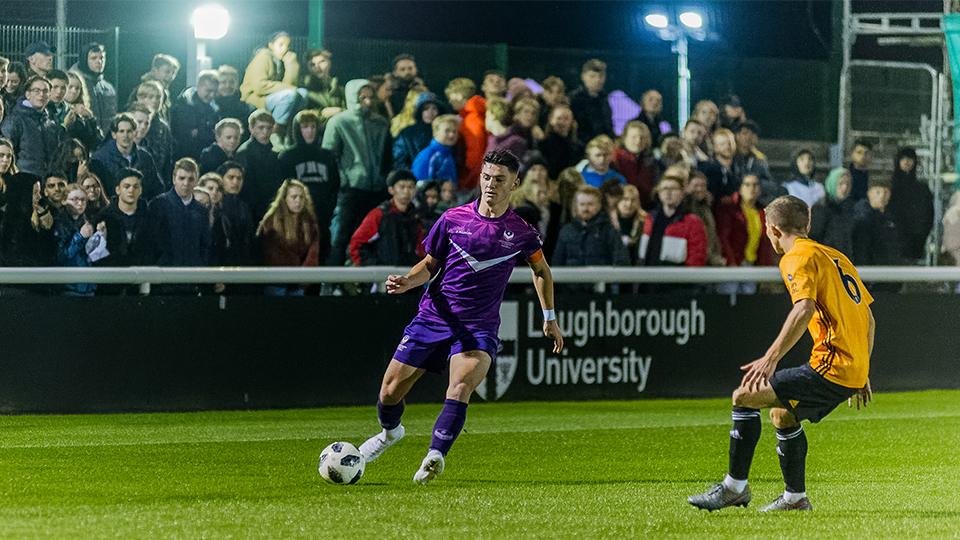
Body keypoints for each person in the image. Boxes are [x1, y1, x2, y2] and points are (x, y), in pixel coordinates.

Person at [356, 149, 564, 485]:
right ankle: (389, 434)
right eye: (486, 177)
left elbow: (541, 270)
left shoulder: (521, 232)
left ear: (515, 184)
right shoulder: (453, 219)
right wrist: (408, 281)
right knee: (390, 392)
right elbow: (429, 264)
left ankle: (435, 455)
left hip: (479, 327)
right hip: (433, 317)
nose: (490, 184)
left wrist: (549, 317)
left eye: (500, 179)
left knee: (461, 386)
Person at [687, 195, 874, 513]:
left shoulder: (796, 257)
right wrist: (863, 369)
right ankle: (795, 499)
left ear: (772, 229)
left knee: (744, 395)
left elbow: (804, 308)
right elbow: (868, 318)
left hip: (832, 365)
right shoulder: (834, 256)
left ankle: (734, 487)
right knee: (782, 414)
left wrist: (771, 356)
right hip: (849, 367)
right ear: (808, 225)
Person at [322, 79, 391, 267]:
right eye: (362, 97)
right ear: (353, 97)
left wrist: (383, 179)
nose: (367, 101)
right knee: (341, 235)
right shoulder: (338, 122)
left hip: (376, 189)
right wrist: (343, 180)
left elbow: (386, 155)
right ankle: (330, 283)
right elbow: (330, 157)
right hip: (350, 189)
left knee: (373, 238)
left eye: (370, 97)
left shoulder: (381, 123)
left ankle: (366, 285)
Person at [278, 110, 340, 265]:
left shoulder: (327, 156)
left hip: (322, 218)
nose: (310, 131)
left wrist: (328, 209)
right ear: (297, 129)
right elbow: (284, 188)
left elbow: (334, 185)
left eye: (313, 126)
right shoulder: (287, 157)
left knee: (321, 260)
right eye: (305, 127)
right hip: (297, 219)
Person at [713, 174, 776, 294]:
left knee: (747, 304)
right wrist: (730, 261)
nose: (752, 188)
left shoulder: (762, 212)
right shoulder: (729, 207)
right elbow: (723, 236)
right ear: (740, 188)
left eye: (755, 185)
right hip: (732, 264)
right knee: (728, 299)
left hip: (750, 265)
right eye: (747, 184)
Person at [256, 179, 320, 295]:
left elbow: (313, 252)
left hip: (299, 281)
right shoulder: (271, 222)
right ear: (284, 198)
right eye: (294, 197)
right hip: (276, 280)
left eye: (301, 197)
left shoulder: (309, 222)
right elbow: (271, 254)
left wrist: (306, 271)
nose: (298, 201)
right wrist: (297, 269)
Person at [349, 169, 423, 268]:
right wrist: (375, 267)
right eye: (402, 187)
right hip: (381, 277)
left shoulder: (416, 217)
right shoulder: (379, 215)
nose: (406, 191)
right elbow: (356, 245)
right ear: (391, 189)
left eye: (410, 187)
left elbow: (421, 251)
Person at [240, 32, 306, 142]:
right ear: (271, 45)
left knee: (303, 93)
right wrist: (289, 89)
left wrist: (291, 64)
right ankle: (275, 132)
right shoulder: (263, 57)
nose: (285, 49)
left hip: (270, 97)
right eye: (281, 45)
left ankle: (294, 133)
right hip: (254, 97)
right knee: (290, 94)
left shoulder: (280, 61)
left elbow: (289, 86)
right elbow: (259, 86)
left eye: (288, 45)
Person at [552, 184, 628, 279]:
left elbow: (621, 262)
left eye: (590, 204)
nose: (585, 209)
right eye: (582, 204)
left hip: (600, 289)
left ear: (599, 205)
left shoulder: (609, 231)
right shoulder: (566, 231)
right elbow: (557, 263)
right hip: (569, 289)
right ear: (576, 206)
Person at [149, 158, 211, 269]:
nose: (186, 183)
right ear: (174, 179)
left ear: (196, 181)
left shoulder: (202, 211)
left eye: (191, 179)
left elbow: (205, 246)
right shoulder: (158, 205)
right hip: (164, 277)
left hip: (193, 278)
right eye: (182, 178)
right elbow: (151, 244)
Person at [638, 174, 707, 268]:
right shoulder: (649, 219)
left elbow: (696, 259)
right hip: (647, 278)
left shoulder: (692, 222)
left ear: (682, 193)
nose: (668, 192)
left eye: (673, 188)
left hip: (676, 279)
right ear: (659, 193)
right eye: (664, 189)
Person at [1, 75, 63, 177]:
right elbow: (8, 151)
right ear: (28, 94)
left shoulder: (50, 121)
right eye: (37, 90)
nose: (41, 94)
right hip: (23, 177)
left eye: (45, 91)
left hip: (47, 179)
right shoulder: (15, 120)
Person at [93, 168, 155, 270]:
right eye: (126, 186)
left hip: (143, 278)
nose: (131, 190)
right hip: (112, 279)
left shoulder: (151, 218)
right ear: (118, 190)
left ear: (140, 190)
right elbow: (95, 255)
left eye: (136, 187)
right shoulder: (102, 217)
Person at [89, 113, 163, 198]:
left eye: (129, 131)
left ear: (134, 133)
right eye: (121, 131)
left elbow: (156, 189)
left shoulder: (145, 157)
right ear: (114, 134)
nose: (125, 136)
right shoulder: (100, 159)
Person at [885, 147, 934, 264]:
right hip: (891, 244)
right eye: (903, 158)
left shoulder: (922, 188)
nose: (906, 162)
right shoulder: (889, 187)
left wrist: (921, 235)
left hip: (916, 244)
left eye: (910, 158)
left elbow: (929, 215)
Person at [236, 109, 283, 221]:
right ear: (251, 128)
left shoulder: (275, 153)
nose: (265, 132)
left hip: (271, 207)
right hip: (251, 210)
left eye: (269, 128)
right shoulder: (243, 153)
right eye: (261, 127)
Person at [446, 78, 487, 200]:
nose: (449, 100)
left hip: (472, 182)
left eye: (450, 95)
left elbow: (475, 153)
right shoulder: (475, 114)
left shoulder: (472, 119)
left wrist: (468, 182)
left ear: (459, 95)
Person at [54, 183, 97, 296]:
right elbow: (61, 256)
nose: (80, 203)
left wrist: (99, 240)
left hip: (87, 285)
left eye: (83, 200)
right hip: (68, 286)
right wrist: (80, 236)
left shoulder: (86, 222)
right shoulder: (58, 223)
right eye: (74, 199)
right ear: (64, 201)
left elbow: (92, 256)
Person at [170, 70, 220, 161]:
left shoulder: (214, 109)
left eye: (215, 91)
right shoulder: (182, 108)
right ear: (198, 86)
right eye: (208, 91)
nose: (212, 95)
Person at [71, 43, 116, 135]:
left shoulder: (108, 88)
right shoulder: (74, 84)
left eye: (102, 58)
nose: (99, 62)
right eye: (93, 58)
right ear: (84, 60)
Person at [809, 167, 855, 256]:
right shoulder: (821, 207)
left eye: (848, 184)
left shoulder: (849, 207)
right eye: (840, 184)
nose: (844, 188)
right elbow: (815, 237)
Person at [683, 170, 725, 267]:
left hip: (709, 261)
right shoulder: (684, 209)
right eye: (696, 185)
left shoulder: (707, 207)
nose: (700, 189)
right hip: (692, 263)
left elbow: (713, 235)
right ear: (687, 187)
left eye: (703, 185)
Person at [614, 120, 658, 211]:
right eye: (634, 137)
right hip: (623, 208)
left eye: (642, 137)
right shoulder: (615, 158)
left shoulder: (650, 159)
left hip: (646, 208)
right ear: (625, 138)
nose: (638, 141)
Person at [393, 92, 443, 172]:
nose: (430, 112)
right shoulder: (407, 133)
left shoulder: (444, 132)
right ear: (420, 111)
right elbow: (400, 159)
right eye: (426, 109)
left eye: (434, 108)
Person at [300, 49, 346, 134]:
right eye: (312, 64)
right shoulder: (306, 89)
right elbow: (304, 117)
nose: (317, 67)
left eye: (322, 62)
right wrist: (322, 114)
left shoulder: (340, 87)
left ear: (330, 63)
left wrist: (340, 111)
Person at [568, 59, 613, 144]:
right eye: (592, 76)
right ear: (583, 76)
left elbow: (608, 125)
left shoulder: (604, 98)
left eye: (601, 76)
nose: (597, 80)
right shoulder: (575, 99)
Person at [537, 105, 583, 180]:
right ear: (551, 120)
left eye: (566, 118)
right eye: (559, 118)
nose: (562, 122)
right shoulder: (543, 145)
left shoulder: (578, 147)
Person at [412, 114, 460, 183]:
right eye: (447, 130)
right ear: (436, 132)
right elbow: (422, 184)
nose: (451, 134)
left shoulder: (448, 154)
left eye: (455, 131)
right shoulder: (428, 156)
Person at [61, 70, 100, 152]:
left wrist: (90, 117)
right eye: (70, 87)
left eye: (77, 88)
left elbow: (95, 140)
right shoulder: (58, 110)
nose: (74, 91)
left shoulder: (84, 111)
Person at [213, 65, 255, 137]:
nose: (227, 86)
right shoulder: (211, 107)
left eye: (231, 82)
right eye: (223, 82)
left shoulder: (247, 109)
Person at [699, 128, 740, 201]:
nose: (727, 147)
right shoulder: (707, 170)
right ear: (715, 147)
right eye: (722, 144)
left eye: (730, 143)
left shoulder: (739, 169)